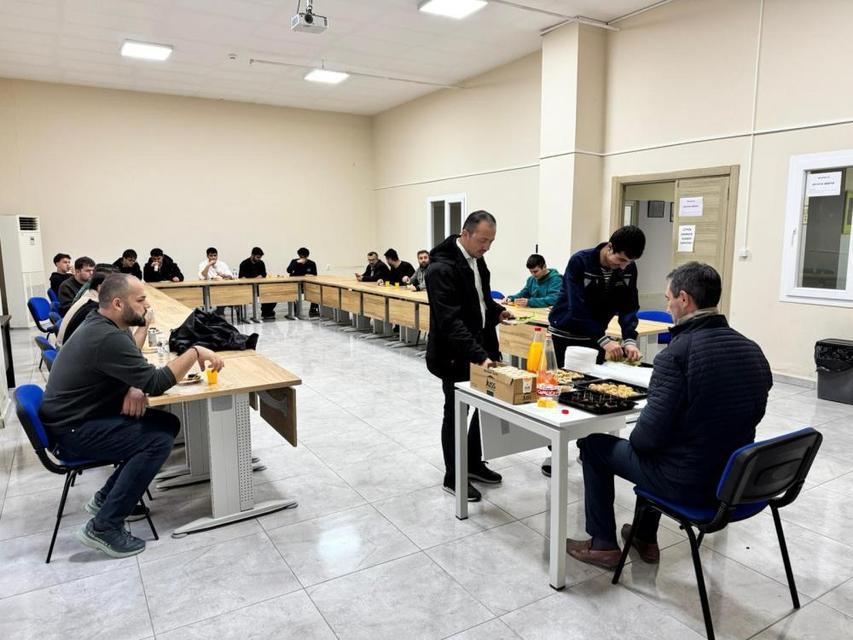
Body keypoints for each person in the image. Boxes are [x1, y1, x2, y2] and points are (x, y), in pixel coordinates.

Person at [565, 263, 772, 569]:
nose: (667, 306)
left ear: (684, 299)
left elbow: (645, 439)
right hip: (736, 479)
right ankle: (644, 536)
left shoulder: (676, 354)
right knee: (665, 445)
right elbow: (754, 412)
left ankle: (603, 545)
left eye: (668, 299)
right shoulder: (752, 349)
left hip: (689, 483)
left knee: (595, 446)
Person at [40, 273, 225, 558]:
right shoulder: (106, 337)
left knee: (166, 423)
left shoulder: (105, 325)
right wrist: (195, 351)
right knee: (156, 440)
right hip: (73, 432)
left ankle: (106, 498)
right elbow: (156, 382)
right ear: (117, 303)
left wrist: (131, 384)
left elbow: (131, 368)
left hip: (77, 419)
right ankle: (103, 527)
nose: (147, 305)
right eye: (140, 300)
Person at [542, 226, 645, 477]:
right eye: (620, 259)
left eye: (629, 262)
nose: (623, 266)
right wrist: (604, 339)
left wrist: (629, 339)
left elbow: (629, 306)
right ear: (609, 247)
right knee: (562, 393)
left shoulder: (628, 268)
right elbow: (577, 308)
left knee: (592, 394)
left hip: (596, 338)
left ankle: (587, 448)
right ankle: (555, 453)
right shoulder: (580, 262)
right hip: (566, 333)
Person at [426, 210, 513, 502]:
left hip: (481, 347)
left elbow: (480, 298)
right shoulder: (440, 268)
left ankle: (473, 463)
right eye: (482, 240)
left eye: (491, 242)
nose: (486, 247)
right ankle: (454, 476)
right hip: (454, 355)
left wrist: (497, 311)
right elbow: (450, 321)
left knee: (487, 406)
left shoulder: (476, 259)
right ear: (465, 234)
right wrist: (479, 356)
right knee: (456, 413)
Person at [57, 268, 114, 347]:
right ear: (100, 287)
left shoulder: (88, 296)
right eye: (114, 286)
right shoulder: (94, 305)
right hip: (66, 349)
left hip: (65, 346)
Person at [239, 247, 276, 321]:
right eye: (258, 257)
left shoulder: (261, 263)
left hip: (260, 286)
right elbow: (241, 277)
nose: (259, 259)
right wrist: (251, 280)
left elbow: (264, 273)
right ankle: (261, 313)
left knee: (272, 293)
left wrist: (260, 276)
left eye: (260, 257)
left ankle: (267, 313)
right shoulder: (244, 263)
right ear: (252, 255)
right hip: (248, 287)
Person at [286, 247, 319, 317]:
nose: (302, 258)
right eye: (301, 256)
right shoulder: (294, 261)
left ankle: (313, 309)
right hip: (295, 284)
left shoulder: (312, 263)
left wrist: (309, 275)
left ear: (307, 256)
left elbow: (315, 275)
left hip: (307, 285)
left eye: (304, 257)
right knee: (290, 291)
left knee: (316, 290)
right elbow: (288, 270)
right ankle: (294, 310)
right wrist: (296, 263)